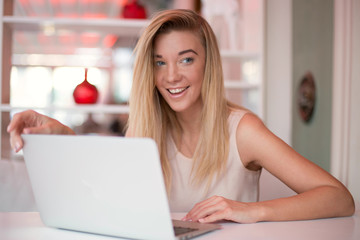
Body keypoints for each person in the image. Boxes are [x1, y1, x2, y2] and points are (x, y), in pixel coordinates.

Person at [7, 9, 354, 224]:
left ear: (208, 64)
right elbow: (105, 183)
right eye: (160, 62)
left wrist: (252, 211)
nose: (171, 76)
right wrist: (62, 136)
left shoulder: (242, 130)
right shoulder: (148, 132)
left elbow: (339, 198)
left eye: (186, 59)